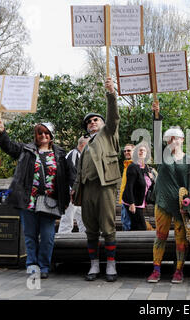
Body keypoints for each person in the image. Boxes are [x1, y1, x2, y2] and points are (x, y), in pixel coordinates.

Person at [0, 120, 74, 279]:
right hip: (28, 200)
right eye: (40, 133)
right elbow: (8, 147)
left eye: (46, 133)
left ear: (51, 135)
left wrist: (68, 197)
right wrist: (2, 132)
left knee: (47, 236)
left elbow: (68, 177)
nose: (43, 135)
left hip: (50, 202)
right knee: (30, 235)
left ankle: (44, 265)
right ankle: (32, 265)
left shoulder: (60, 154)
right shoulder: (26, 150)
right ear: (36, 136)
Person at [71, 77, 121, 282]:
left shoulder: (108, 133)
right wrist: (75, 188)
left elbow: (113, 117)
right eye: (89, 121)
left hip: (105, 186)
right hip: (87, 188)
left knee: (108, 226)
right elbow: (80, 170)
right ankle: (94, 265)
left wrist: (111, 94)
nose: (92, 122)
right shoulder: (86, 144)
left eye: (95, 120)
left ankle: (111, 264)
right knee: (90, 228)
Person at [147, 100, 190, 284]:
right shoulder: (162, 156)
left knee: (180, 239)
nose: (173, 141)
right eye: (170, 139)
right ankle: (156, 270)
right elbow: (156, 133)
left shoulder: (189, 160)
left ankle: (178, 271)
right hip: (162, 203)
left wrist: (188, 201)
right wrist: (157, 115)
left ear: (182, 140)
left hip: (181, 206)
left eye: (176, 138)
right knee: (160, 237)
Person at [122, 142, 157, 230]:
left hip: (140, 202)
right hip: (132, 203)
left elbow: (148, 185)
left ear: (147, 154)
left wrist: (152, 179)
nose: (141, 152)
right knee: (140, 227)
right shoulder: (133, 167)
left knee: (136, 226)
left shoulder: (146, 168)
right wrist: (131, 204)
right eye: (139, 150)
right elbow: (129, 186)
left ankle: (132, 243)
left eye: (143, 151)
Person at [58, 136, 89, 233]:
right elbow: (72, 174)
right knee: (67, 220)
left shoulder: (80, 155)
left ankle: (85, 240)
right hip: (71, 192)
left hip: (77, 192)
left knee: (84, 219)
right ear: (83, 145)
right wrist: (74, 191)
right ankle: (62, 242)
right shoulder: (74, 154)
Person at [119, 144, 135, 231]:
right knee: (125, 223)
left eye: (129, 150)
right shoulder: (126, 165)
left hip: (130, 201)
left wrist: (132, 202)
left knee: (128, 226)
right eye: (125, 151)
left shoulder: (135, 165)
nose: (126, 152)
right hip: (124, 200)